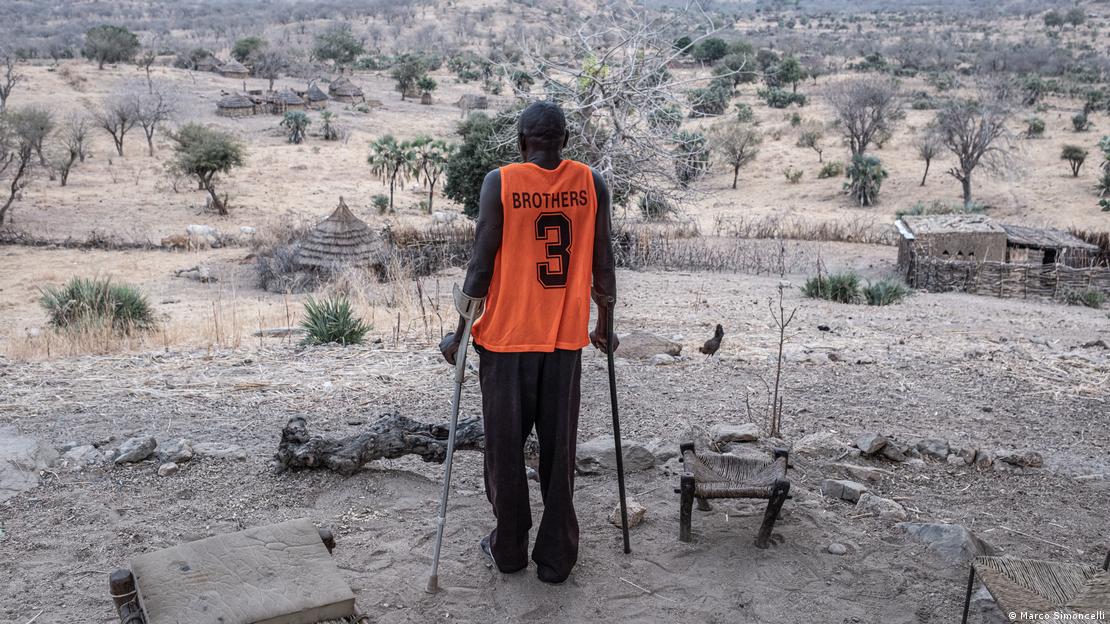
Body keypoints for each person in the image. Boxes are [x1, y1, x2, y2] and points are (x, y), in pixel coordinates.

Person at [439, 101, 617, 584]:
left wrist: (459, 335)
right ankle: (556, 559)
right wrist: (604, 325)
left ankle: (509, 549)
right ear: (565, 140)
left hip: (506, 341)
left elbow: (479, 268)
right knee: (559, 453)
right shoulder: (591, 183)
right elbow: (604, 263)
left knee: (504, 451)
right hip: (563, 343)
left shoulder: (500, 183)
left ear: (521, 142)